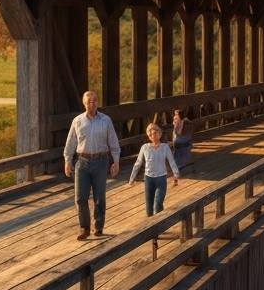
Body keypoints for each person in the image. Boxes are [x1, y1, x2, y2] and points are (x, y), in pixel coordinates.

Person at [63, 90, 119, 240]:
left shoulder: (106, 120)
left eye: (94, 101)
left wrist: (116, 161)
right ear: (84, 103)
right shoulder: (77, 121)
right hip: (82, 161)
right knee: (80, 197)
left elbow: (113, 142)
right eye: (88, 101)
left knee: (99, 197)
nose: (91, 104)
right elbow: (70, 143)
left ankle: (99, 226)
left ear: (98, 103)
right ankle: (85, 227)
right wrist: (67, 161)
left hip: (101, 161)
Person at [127, 123, 180, 216]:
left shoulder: (165, 147)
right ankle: (150, 223)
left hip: (161, 178)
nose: (153, 135)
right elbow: (138, 163)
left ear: (159, 133)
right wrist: (132, 177)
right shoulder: (145, 147)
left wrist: (176, 175)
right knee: (149, 206)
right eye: (150, 134)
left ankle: (160, 222)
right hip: (149, 179)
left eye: (155, 133)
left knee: (158, 203)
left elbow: (171, 161)